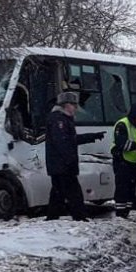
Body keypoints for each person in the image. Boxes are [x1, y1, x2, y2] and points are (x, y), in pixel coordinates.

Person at [45, 91, 104, 221]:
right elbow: (62, 142)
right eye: (74, 105)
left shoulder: (62, 118)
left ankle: (52, 216)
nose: (76, 108)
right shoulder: (59, 120)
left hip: (59, 164)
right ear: (66, 105)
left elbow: (71, 139)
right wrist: (69, 160)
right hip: (63, 164)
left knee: (58, 192)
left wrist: (92, 137)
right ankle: (79, 216)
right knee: (73, 191)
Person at [110, 103, 136, 219]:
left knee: (131, 189)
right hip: (121, 160)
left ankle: (126, 212)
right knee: (122, 188)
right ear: (134, 115)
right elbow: (121, 143)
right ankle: (120, 213)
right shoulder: (122, 124)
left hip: (132, 161)